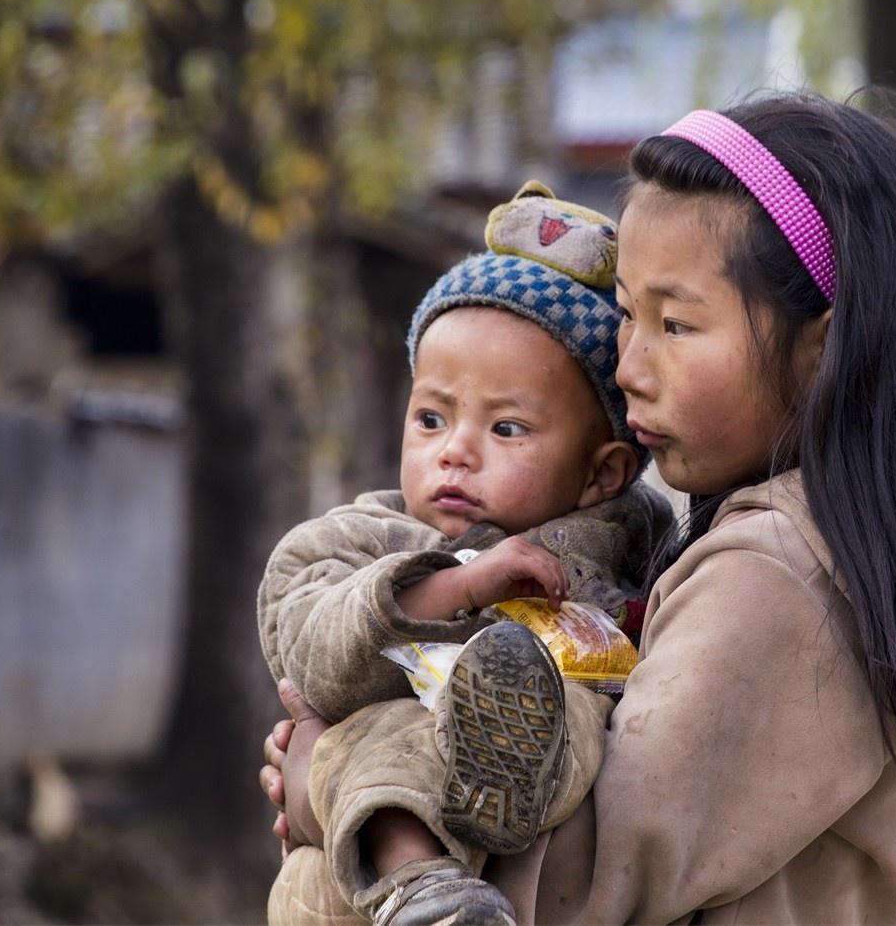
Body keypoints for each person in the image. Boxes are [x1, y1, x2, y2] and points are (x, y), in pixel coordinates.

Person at [263, 94, 896, 924]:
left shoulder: (777, 574)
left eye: (676, 326)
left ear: (824, 349)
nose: (631, 368)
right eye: (628, 317)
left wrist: (327, 776)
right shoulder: (823, 542)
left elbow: (577, 889)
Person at [259, 182, 674, 925]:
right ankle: (421, 882)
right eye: (430, 417)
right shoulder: (357, 538)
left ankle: (498, 769)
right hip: (355, 877)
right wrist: (459, 585)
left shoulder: (633, 561)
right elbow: (307, 648)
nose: (454, 452)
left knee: (574, 710)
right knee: (372, 739)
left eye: (507, 429)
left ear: (601, 472)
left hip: (538, 822)